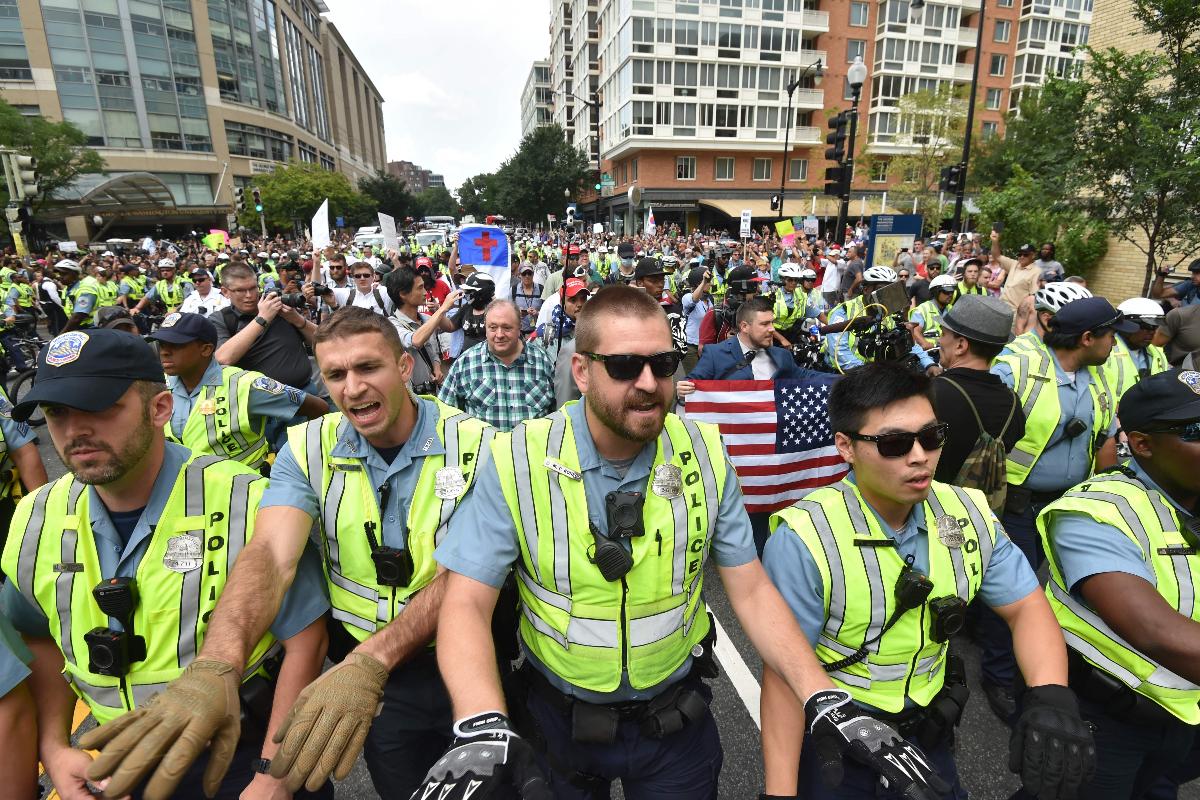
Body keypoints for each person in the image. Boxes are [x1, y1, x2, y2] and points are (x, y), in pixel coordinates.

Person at [420, 286, 945, 800]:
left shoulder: (707, 453)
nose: (649, 383)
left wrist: (823, 696)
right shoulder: (518, 458)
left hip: (675, 725)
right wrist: (481, 720)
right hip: (558, 725)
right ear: (581, 371)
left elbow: (752, 590)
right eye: (625, 366)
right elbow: (466, 599)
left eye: (664, 364)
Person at [74, 309, 493, 799]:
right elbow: (272, 552)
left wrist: (370, 660)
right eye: (335, 374)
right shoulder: (306, 447)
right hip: (378, 684)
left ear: (404, 368)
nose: (352, 388)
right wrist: (218, 665)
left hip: (464, 660)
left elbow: (468, 573)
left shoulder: (476, 444)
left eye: (368, 368)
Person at [0, 329, 331, 800]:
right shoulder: (36, 516)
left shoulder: (246, 500)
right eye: (56, 413)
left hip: (241, 753)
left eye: (97, 407)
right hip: (116, 759)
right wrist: (54, 746)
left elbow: (306, 639)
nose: (73, 432)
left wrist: (274, 774)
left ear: (159, 409)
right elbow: (38, 634)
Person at [760, 360, 1093, 799]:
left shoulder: (970, 513)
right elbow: (785, 671)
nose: (920, 457)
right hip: (841, 741)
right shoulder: (805, 537)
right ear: (845, 446)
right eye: (895, 443)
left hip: (929, 736)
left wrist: (1051, 695)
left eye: (932, 437)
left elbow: (1026, 605)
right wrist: (781, 792)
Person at [1037, 369, 1200, 798]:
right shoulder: (1094, 513)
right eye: (1197, 430)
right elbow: (1157, 633)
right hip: (1108, 723)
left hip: (1184, 716)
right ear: (1143, 444)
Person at [981, 296, 1129, 719]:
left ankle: (1044, 665)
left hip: (1067, 505)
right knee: (1015, 590)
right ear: (1086, 338)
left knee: (1054, 590)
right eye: (1109, 335)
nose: (1114, 344)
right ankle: (999, 675)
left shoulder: (1098, 377)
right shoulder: (1021, 368)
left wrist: (1109, 491)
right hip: (1016, 504)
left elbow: (1103, 438)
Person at [152, 312, 328, 469]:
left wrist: (299, 460)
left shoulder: (246, 385)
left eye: (176, 345)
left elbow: (317, 407)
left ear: (205, 349)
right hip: (188, 494)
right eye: (162, 345)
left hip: (244, 496)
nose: (164, 352)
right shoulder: (159, 386)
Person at [930, 295, 1026, 487]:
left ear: (960, 345)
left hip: (929, 504)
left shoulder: (931, 393)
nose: (939, 341)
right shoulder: (1013, 403)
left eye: (943, 334)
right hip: (975, 511)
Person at [439, 300, 555, 431]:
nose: (499, 335)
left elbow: (556, 414)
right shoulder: (465, 364)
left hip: (533, 450)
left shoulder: (542, 362)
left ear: (519, 327)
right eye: (493, 327)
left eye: (507, 328)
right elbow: (444, 415)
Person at [211, 262, 317, 393]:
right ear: (225, 292)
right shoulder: (221, 319)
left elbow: (321, 340)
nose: (249, 295)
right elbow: (223, 358)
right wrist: (262, 318)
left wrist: (296, 319)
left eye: (253, 288)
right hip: (264, 403)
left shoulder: (278, 305)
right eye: (240, 290)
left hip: (306, 391)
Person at [827, 266, 938, 376]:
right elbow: (839, 351)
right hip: (847, 375)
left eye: (889, 290)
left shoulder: (889, 313)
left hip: (876, 375)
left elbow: (908, 343)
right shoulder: (844, 311)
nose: (886, 295)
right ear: (866, 290)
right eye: (881, 290)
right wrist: (868, 373)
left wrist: (929, 364)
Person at [385, 267, 460, 395]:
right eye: (420, 288)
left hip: (433, 394)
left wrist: (437, 368)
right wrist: (443, 309)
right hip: (409, 398)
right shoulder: (391, 325)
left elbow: (434, 351)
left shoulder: (427, 319)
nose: (425, 292)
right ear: (403, 294)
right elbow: (416, 341)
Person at [534, 277, 590, 408]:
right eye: (573, 300)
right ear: (562, 302)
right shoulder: (547, 334)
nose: (580, 304)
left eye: (583, 299)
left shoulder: (594, 331)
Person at [1106, 297, 1170, 399]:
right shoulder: (1105, 352)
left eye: (1155, 327)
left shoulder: (1157, 352)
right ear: (1125, 325)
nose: (1152, 331)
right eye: (1146, 326)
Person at [699, 265, 763, 345]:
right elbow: (703, 350)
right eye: (754, 285)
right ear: (741, 288)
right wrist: (725, 342)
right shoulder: (715, 314)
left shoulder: (756, 312)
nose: (758, 290)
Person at [908, 274, 958, 353]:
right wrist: (925, 344)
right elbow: (915, 332)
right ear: (936, 292)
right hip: (928, 354)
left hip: (948, 353)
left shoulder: (952, 309)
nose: (950, 295)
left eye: (952, 291)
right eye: (946, 291)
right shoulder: (923, 309)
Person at [449, 271, 495, 354]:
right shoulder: (467, 307)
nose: (466, 294)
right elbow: (449, 326)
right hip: (468, 361)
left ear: (482, 293)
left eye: (470, 291)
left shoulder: (497, 311)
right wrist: (440, 310)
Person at [681, 266, 714, 374]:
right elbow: (694, 299)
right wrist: (704, 281)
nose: (711, 284)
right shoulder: (687, 297)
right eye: (709, 281)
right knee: (694, 378)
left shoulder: (709, 300)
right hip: (691, 346)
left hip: (706, 346)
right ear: (698, 283)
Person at [512, 263, 544, 336]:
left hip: (537, 332)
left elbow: (546, 311)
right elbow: (509, 310)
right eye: (524, 273)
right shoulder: (514, 289)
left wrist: (537, 313)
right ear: (520, 275)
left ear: (533, 274)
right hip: (519, 332)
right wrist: (518, 312)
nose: (527, 276)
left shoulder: (541, 289)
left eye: (529, 273)